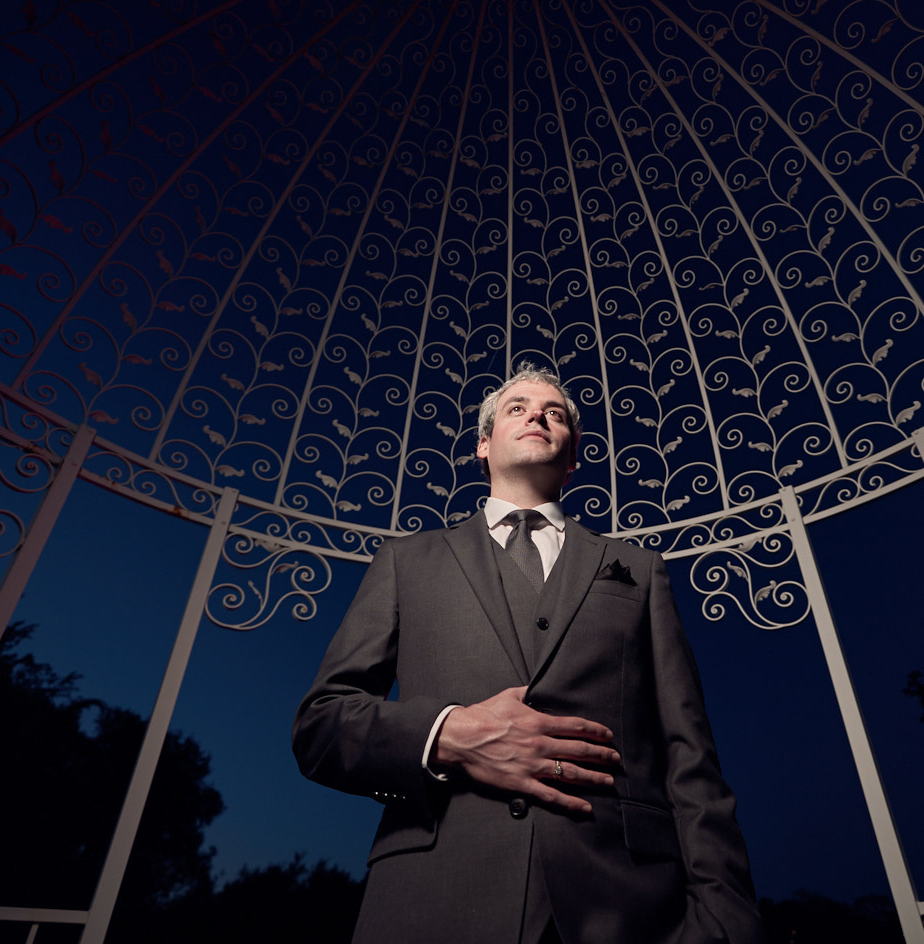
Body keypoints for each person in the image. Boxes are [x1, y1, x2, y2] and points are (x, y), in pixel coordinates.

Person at [293, 363, 763, 944]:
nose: (537, 414)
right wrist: (448, 734)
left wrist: (726, 921)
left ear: (573, 457)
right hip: (430, 900)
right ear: (483, 446)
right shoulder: (406, 561)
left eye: (554, 412)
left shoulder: (639, 571)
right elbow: (321, 725)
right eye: (517, 407)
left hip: (628, 907)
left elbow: (688, 754)